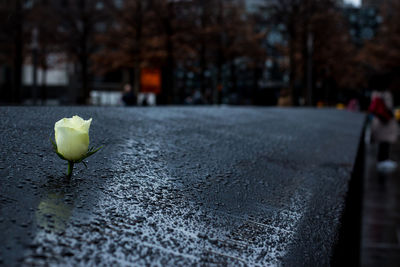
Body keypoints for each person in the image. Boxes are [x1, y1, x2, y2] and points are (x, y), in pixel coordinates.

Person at [369, 89, 399, 173]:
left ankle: (382, 160)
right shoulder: (386, 93)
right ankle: (383, 160)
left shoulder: (375, 92)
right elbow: (388, 107)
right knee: (385, 141)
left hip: (378, 120)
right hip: (385, 121)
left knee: (383, 142)